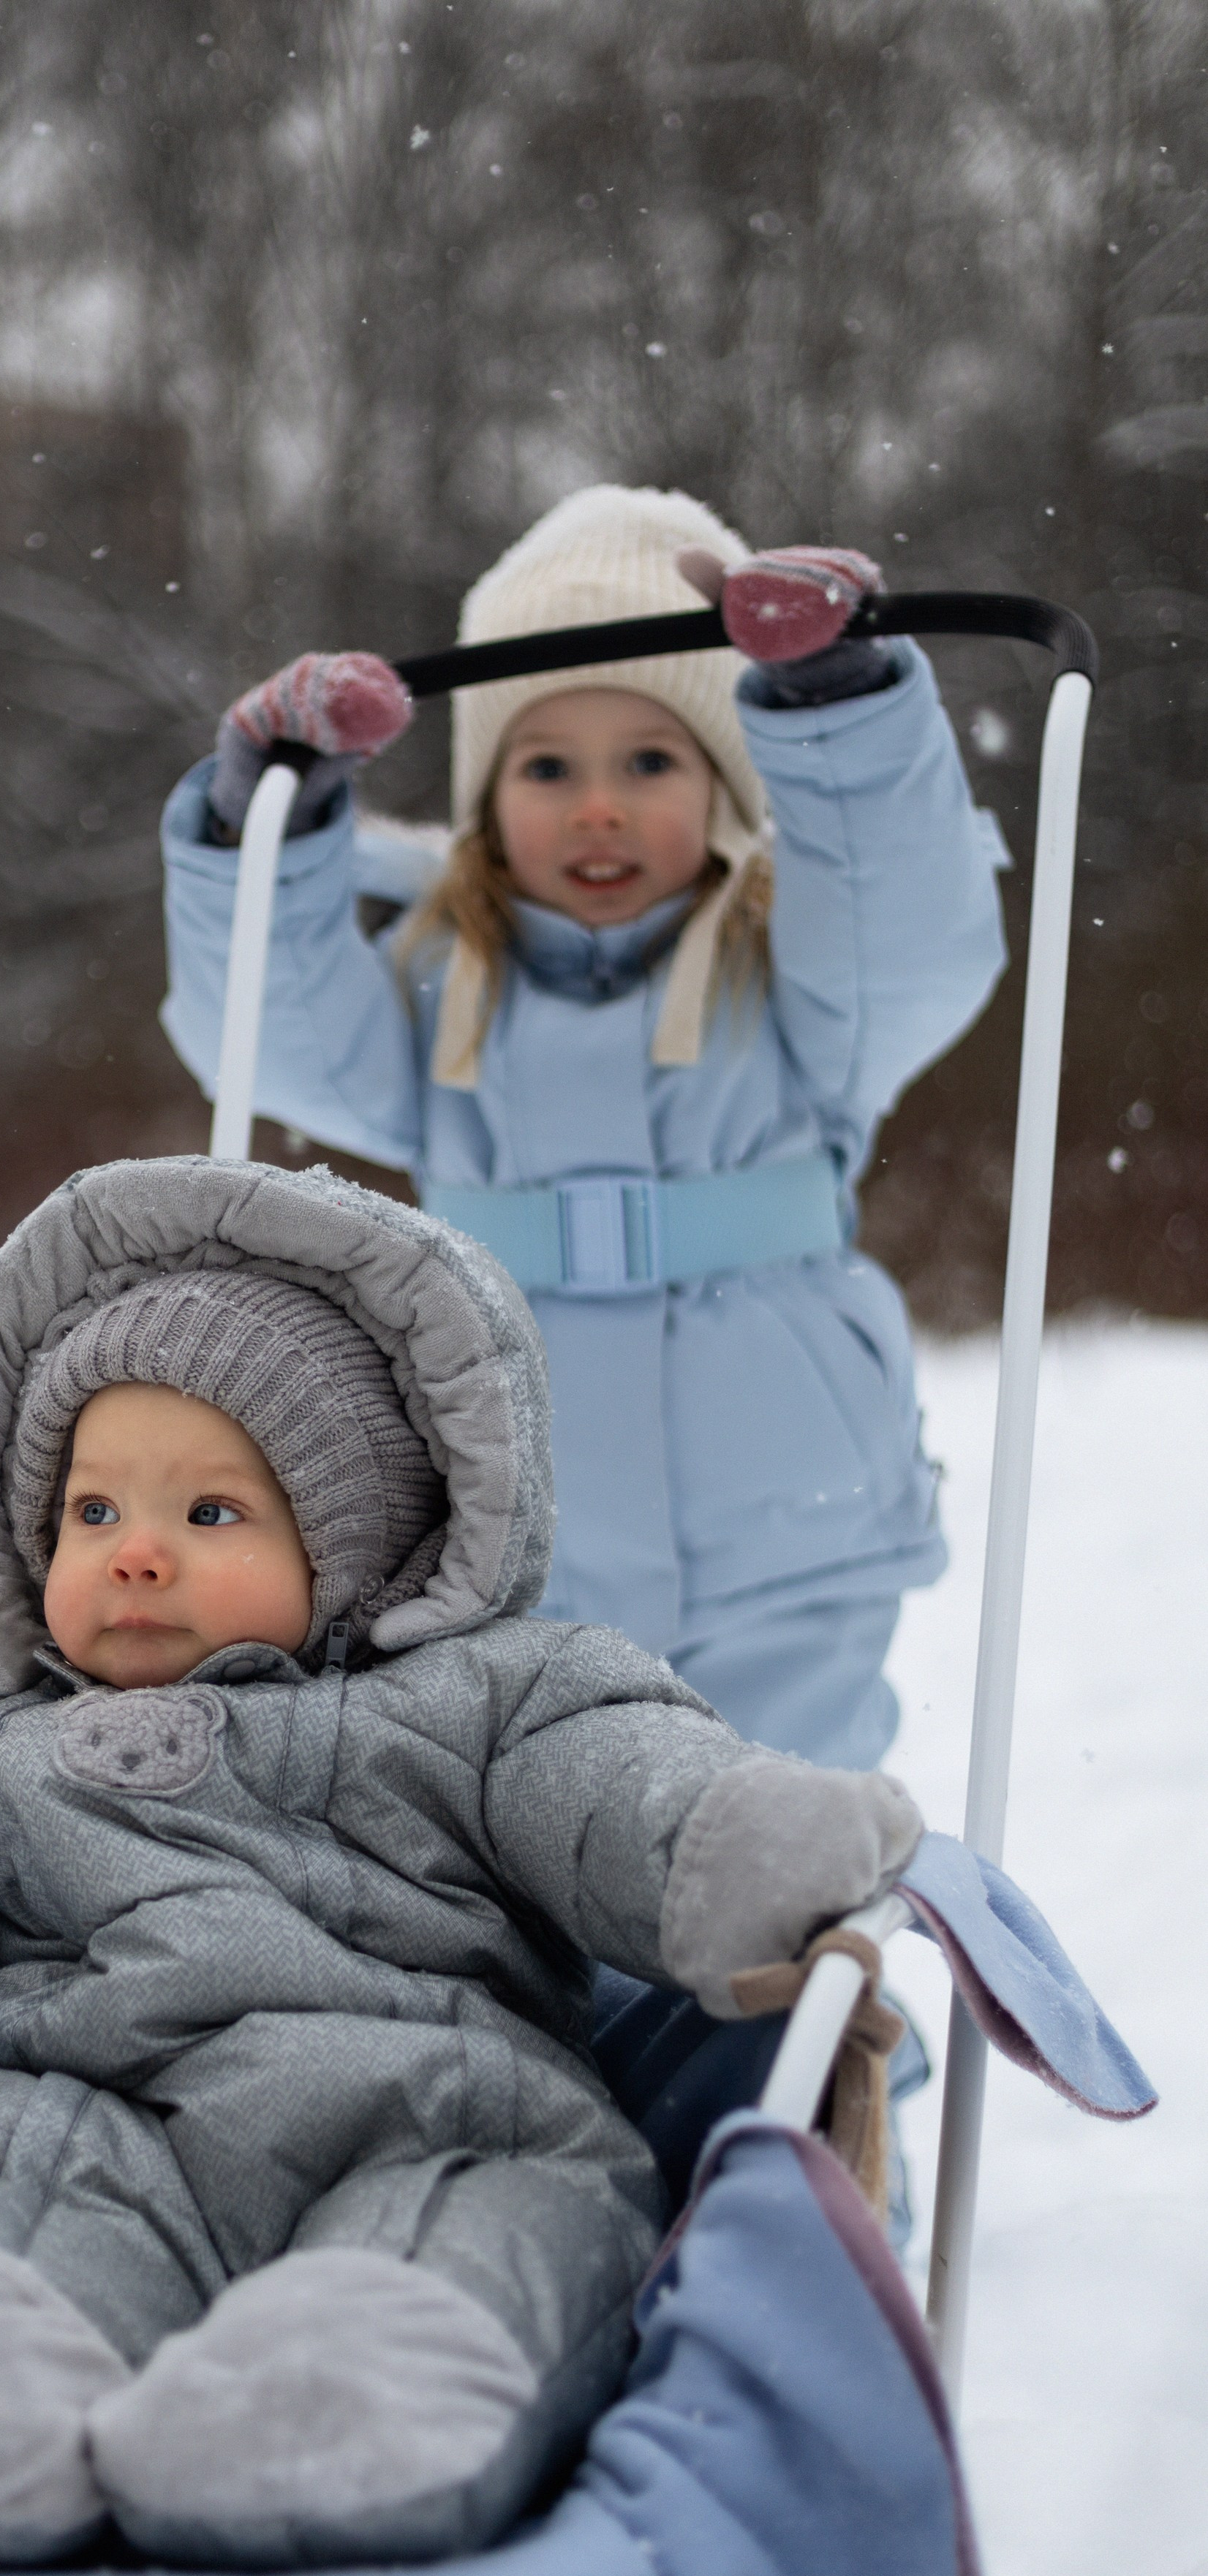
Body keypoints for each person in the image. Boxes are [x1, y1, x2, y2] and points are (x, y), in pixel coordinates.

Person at [0, 1157, 919, 2575]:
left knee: (487, 2238)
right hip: (89, 2111)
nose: (135, 1554)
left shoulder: (486, 1696)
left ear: (355, 1544)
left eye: (209, 1514)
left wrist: (738, 1846)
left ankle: (336, 2407)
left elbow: (621, 1791)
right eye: (94, 1513)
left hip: (439, 2111)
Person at [159, 488, 1011, 1771]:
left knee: (787, 1811)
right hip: (509, 1499)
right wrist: (266, 822)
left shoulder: (802, 976)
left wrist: (837, 707)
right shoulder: (442, 982)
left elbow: (915, 937)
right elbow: (273, 1038)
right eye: (549, 767)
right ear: (486, 804)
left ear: (725, 784)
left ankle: (798, 1970)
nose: (598, 806)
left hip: (784, 1514)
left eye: (650, 761)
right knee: (532, 1806)